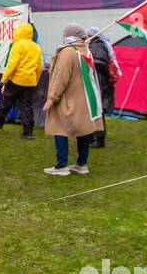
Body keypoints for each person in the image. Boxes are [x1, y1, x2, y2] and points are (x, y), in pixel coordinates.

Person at [42, 25, 102, 176]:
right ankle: (82, 164)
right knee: (84, 130)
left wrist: (52, 97)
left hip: (68, 98)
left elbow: (61, 77)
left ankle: (61, 166)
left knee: (59, 128)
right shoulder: (85, 50)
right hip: (86, 99)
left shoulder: (68, 52)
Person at [0, 22, 42, 139]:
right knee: (26, 107)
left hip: (17, 80)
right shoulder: (36, 47)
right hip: (30, 81)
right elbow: (39, 67)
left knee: (6, 101)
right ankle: (28, 132)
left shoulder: (17, 45)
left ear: (19, 32)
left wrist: (3, 80)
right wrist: (35, 80)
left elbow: (12, 65)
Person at [85, 25, 117, 148]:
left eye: (87, 35)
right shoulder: (99, 44)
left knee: (97, 111)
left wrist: (85, 59)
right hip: (101, 81)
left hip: (100, 82)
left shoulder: (97, 45)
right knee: (96, 110)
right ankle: (96, 137)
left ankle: (99, 139)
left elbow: (99, 62)